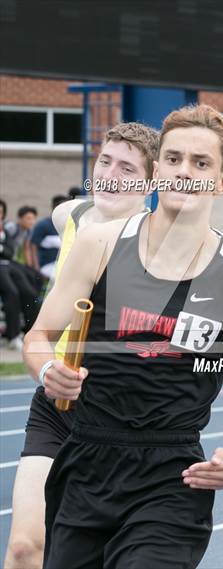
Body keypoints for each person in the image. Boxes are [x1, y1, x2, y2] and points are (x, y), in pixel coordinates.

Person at [23, 104, 223, 569]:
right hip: (87, 459)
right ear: (157, 170)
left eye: (201, 164)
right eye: (175, 159)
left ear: (221, 182)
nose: (184, 172)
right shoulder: (99, 244)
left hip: (172, 473)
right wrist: (47, 371)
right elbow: (38, 337)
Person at [5, 121, 159, 569]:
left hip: (122, 416)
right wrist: (49, 369)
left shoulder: (157, 242)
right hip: (57, 405)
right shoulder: (70, 214)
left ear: (150, 185)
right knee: (23, 548)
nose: (111, 175)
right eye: (105, 162)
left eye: (127, 169)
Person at [0, 200, 39, 348]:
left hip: (8, 265)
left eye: (1, 213)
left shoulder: (3, 229)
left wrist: (3, 249)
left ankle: (29, 333)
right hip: (3, 267)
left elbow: (9, 252)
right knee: (12, 292)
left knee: (30, 290)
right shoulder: (11, 228)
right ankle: (12, 335)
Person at [29, 195, 68, 281]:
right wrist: (36, 268)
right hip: (47, 265)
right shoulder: (43, 225)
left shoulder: (68, 225)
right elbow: (33, 246)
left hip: (64, 264)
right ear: (54, 208)